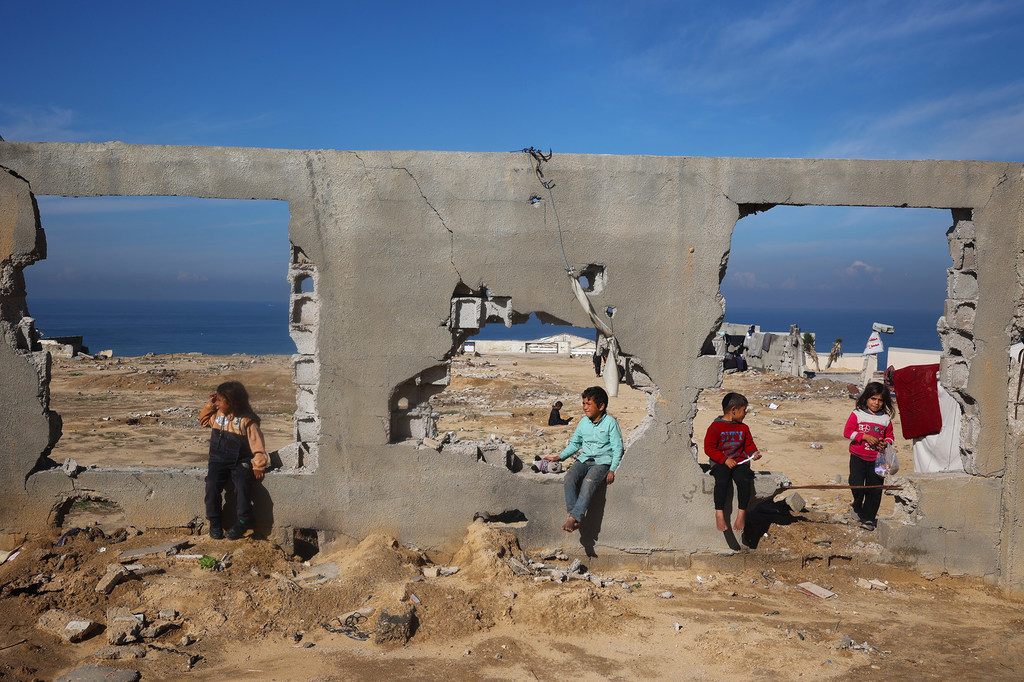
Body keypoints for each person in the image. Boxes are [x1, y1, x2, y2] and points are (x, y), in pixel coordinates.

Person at [544, 386, 623, 532]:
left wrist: (612, 469)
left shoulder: (610, 423)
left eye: (588, 404)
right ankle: (573, 517)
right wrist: (559, 457)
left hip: (602, 463)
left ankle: (572, 519)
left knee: (588, 482)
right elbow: (574, 444)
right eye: (583, 404)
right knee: (569, 478)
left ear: (601, 406)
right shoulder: (583, 423)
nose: (585, 407)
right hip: (584, 459)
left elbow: (618, 448)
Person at [200, 381, 267, 540]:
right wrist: (210, 405)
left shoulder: (247, 421)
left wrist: (258, 466)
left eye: (220, 400)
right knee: (211, 484)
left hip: (239, 461)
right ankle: (215, 519)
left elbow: (258, 446)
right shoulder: (218, 416)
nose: (217, 403)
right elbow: (203, 420)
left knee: (242, 486)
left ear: (232, 403)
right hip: (217, 460)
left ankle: (244, 519)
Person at [703, 392, 761, 532]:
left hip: (740, 462)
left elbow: (748, 444)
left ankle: (741, 513)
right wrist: (724, 459)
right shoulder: (715, 427)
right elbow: (709, 448)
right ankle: (719, 513)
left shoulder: (743, 428)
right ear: (733, 410)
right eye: (743, 410)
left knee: (744, 480)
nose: (745, 413)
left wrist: (753, 452)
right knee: (722, 480)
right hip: (721, 462)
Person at [843, 381, 895, 531]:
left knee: (875, 490)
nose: (876, 403)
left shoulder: (885, 418)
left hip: (879, 459)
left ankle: (869, 518)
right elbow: (847, 433)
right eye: (873, 399)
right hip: (858, 456)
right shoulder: (857, 414)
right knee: (856, 484)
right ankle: (858, 505)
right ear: (866, 398)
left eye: (880, 400)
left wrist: (885, 443)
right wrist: (864, 436)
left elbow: (891, 437)